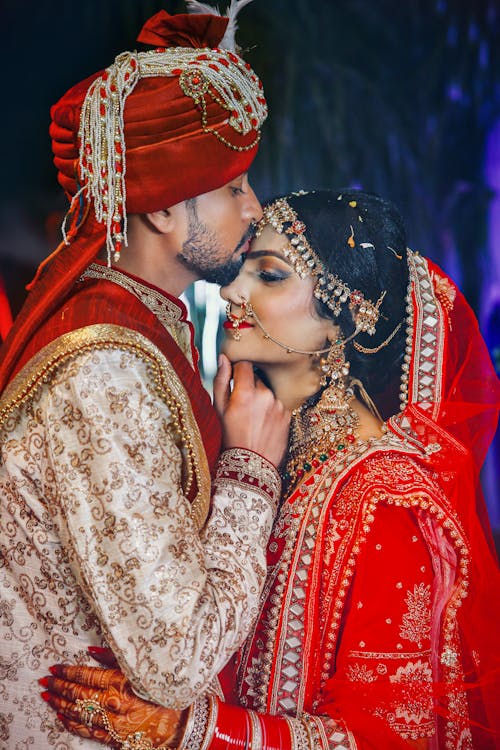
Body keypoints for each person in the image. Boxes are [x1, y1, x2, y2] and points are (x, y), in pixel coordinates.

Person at [43, 189, 500, 749]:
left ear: (345, 321)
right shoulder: (266, 454)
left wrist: (188, 730)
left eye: (271, 275)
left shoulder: (388, 498)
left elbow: (387, 738)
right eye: (243, 271)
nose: (232, 290)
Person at [0, 5, 291, 747]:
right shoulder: (105, 372)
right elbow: (177, 661)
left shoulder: (142, 321)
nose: (254, 208)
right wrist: (251, 471)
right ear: (163, 210)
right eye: (233, 187)